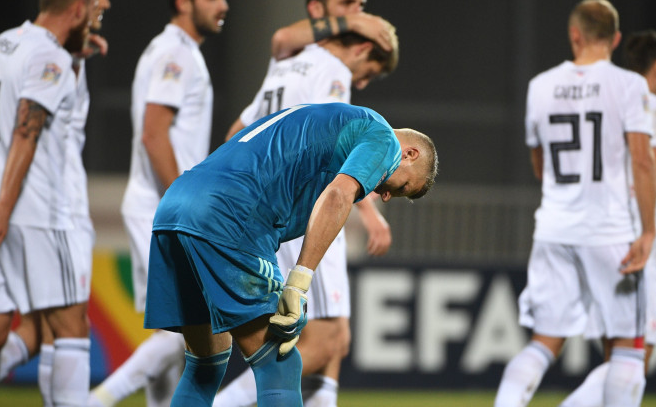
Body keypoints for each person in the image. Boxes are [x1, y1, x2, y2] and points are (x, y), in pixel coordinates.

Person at [144, 102, 438, 407]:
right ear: (409, 154)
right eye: (401, 186)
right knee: (280, 363)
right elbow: (338, 194)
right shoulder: (384, 139)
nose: (386, 196)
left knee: (205, 364)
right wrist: (298, 282)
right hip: (229, 216)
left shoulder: (327, 119)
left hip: (175, 208)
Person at [215, 19, 398, 406]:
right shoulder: (331, 71)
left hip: (267, 207)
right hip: (305, 211)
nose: (362, 83)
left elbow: (238, 130)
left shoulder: (286, 65)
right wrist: (370, 214)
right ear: (363, 49)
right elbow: (341, 149)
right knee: (325, 340)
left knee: (336, 341)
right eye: (370, 73)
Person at [0, 0, 110, 404]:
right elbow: (27, 129)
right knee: (70, 327)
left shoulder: (5, 42)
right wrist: (8, 205)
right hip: (30, 209)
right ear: (78, 9)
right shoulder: (51, 56)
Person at [493, 0, 656, 407]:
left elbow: (540, 165)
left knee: (543, 344)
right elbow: (642, 159)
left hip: (554, 228)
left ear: (574, 35)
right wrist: (650, 230)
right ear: (616, 38)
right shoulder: (629, 85)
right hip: (610, 230)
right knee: (629, 349)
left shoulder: (541, 85)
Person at [88, 0, 228, 407]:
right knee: (197, 326)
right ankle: (96, 400)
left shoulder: (176, 51)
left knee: (179, 327)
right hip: (166, 205)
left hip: (161, 203)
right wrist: (183, 201)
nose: (224, 5)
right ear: (184, 1)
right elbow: (153, 133)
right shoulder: (175, 54)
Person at [559, 30, 656, 407]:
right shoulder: (655, 107)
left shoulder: (607, 104)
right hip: (632, 245)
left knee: (618, 361)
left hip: (594, 239)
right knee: (631, 365)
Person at [269, 0, 393, 61]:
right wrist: (352, 22)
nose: (358, 13)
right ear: (316, 9)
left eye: (361, 5)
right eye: (347, 3)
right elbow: (282, 39)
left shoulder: (352, 57)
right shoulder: (297, 49)